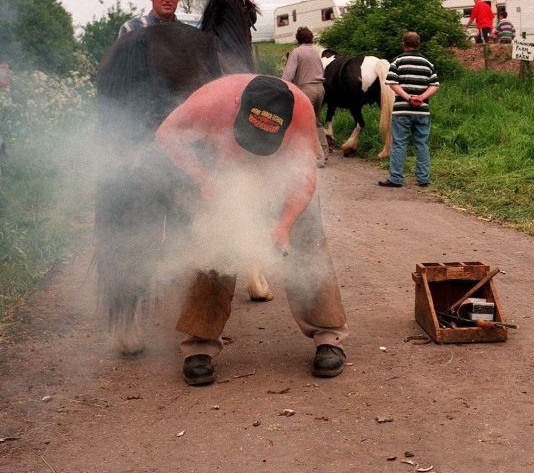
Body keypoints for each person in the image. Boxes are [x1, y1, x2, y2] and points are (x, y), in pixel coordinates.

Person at [156, 74, 349, 385]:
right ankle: (199, 346)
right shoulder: (210, 102)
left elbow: (304, 176)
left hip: (281, 173)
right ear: (237, 106)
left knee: (308, 236)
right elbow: (166, 135)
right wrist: (203, 178)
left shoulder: (300, 108)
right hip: (223, 171)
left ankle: (329, 338)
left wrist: (285, 224)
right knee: (215, 241)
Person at [378, 32, 439, 188]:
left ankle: (396, 178)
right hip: (422, 111)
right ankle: (423, 178)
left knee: (399, 144)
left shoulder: (398, 61)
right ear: (419, 44)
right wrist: (421, 97)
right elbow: (435, 85)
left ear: (404, 44)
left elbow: (392, 82)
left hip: (402, 111)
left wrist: (408, 98)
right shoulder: (427, 63)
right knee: (422, 144)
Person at [282, 27, 328, 167]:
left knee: (308, 123)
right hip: (320, 89)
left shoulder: (296, 52)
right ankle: (325, 153)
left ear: (298, 39)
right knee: (317, 121)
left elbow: (288, 75)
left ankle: (318, 159)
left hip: (307, 90)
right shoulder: (315, 53)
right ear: (310, 38)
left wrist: (282, 87)